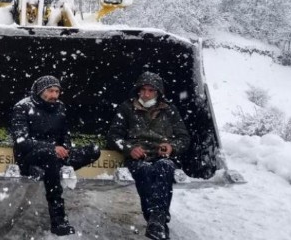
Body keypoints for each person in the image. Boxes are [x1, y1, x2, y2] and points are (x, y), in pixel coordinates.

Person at [10, 75, 101, 236]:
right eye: (50, 91)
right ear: (40, 92)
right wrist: (52, 148)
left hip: (54, 155)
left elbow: (65, 135)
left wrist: (64, 148)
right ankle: (58, 220)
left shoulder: (60, 107)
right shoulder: (22, 107)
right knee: (50, 157)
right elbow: (21, 141)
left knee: (93, 150)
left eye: (57, 91)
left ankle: (47, 169)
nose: (54, 95)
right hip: (29, 156)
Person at [107, 72, 190, 240]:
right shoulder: (126, 108)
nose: (145, 94)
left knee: (164, 168)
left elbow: (184, 138)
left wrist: (171, 147)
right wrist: (130, 149)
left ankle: (155, 221)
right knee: (144, 171)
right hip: (138, 157)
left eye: (150, 90)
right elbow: (113, 136)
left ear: (158, 92)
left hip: (163, 156)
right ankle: (158, 221)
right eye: (142, 90)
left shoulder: (170, 110)